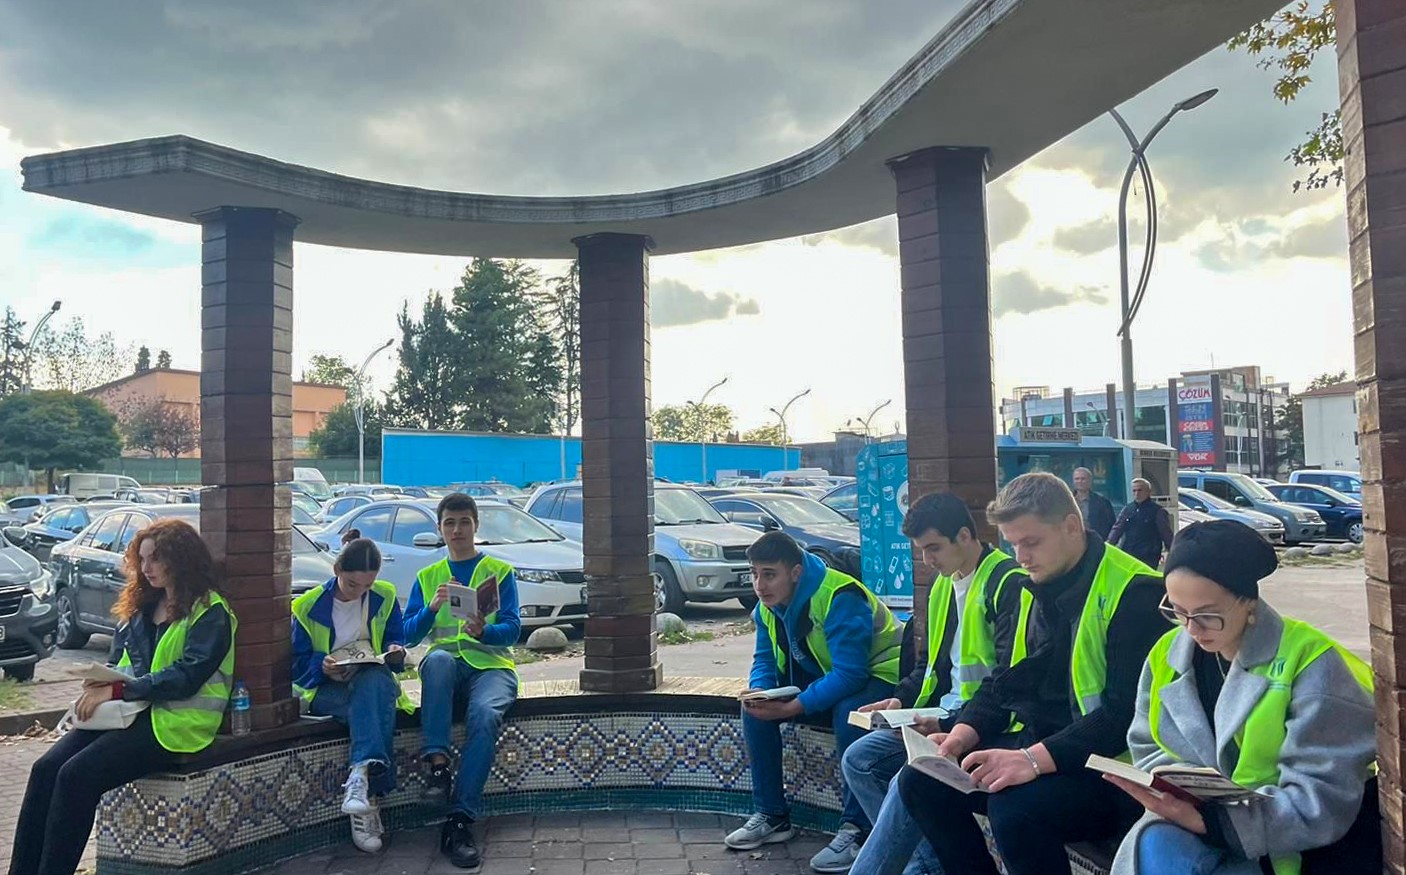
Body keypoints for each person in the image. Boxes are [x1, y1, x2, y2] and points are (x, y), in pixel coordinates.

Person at [897, 472, 1168, 875]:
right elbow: (1008, 679)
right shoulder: (1037, 585)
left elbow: (1123, 715)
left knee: (1014, 808)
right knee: (922, 781)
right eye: (1013, 544)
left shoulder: (1135, 591)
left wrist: (1032, 759)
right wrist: (962, 733)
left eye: (1031, 542)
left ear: (1071, 526)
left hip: (1120, 770)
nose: (1021, 557)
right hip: (1055, 747)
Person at [1107, 520, 1379, 875]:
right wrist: (1183, 794)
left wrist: (1215, 820)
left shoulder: (1310, 661)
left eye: (1207, 615)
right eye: (1177, 610)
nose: (1191, 629)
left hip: (1285, 848)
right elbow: (1146, 744)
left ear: (1249, 602)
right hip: (1192, 827)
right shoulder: (1166, 654)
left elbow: (1322, 798)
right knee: (1156, 842)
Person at [10, 519, 236, 875]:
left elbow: (187, 678)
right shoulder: (142, 607)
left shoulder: (211, 611)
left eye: (156, 559)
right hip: (129, 711)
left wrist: (118, 688)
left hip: (177, 724)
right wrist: (99, 683)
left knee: (76, 776)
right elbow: (120, 664)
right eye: (141, 559)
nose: (146, 569)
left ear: (182, 559)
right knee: (44, 770)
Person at [845, 493, 1032, 875]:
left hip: (988, 727)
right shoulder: (943, 586)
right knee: (860, 759)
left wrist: (947, 727)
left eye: (933, 548)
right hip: (941, 717)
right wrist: (897, 704)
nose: (927, 560)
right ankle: (928, 866)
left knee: (910, 778)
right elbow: (930, 669)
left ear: (964, 536)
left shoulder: (1008, 582)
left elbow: (1006, 683)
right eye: (921, 550)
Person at [725, 531, 903, 869]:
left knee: (850, 713)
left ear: (795, 572)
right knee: (753, 713)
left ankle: (858, 830)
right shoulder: (768, 606)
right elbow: (764, 658)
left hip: (883, 676)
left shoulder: (839, 595)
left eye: (769, 574)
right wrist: (759, 693)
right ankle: (772, 816)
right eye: (754, 573)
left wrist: (795, 705)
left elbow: (852, 674)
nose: (759, 585)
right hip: (831, 674)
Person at [404, 493, 521, 870]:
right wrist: (430, 609)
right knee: (436, 660)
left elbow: (514, 629)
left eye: (464, 522)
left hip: (491, 667)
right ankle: (438, 764)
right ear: (439, 529)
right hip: (447, 669)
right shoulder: (427, 577)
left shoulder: (499, 571)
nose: (457, 530)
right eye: (450, 523)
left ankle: (459, 820)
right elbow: (406, 635)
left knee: (486, 715)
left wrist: (485, 631)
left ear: (476, 525)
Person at [291, 530, 413, 854]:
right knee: (374, 706)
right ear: (337, 572)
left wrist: (394, 650)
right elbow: (294, 664)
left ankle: (359, 780)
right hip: (328, 691)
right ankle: (369, 797)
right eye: (352, 585)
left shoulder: (384, 597)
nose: (360, 592)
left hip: (373, 681)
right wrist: (323, 667)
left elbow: (394, 638)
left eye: (367, 586)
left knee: (373, 684)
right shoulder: (306, 606)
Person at [1108, 478, 1174, 568]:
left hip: (1149, 556)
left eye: (1140, 490)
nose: (1137, 494)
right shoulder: (1128, 509)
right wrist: (1108, 545)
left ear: (1148, 491)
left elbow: (1166, 533)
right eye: (1134, 491)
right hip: (1129, 553)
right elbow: (1117, 528)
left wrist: (1171, 550)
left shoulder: (1157, 511)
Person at [1072, 467, 1116, 541]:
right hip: (1073, 543)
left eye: (1083, 479)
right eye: (1077, 479)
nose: (1080, 481)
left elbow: (1111, 526)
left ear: (1090, 481)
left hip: (1095, 544)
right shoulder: (1067, 501)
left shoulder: (1102, 502)